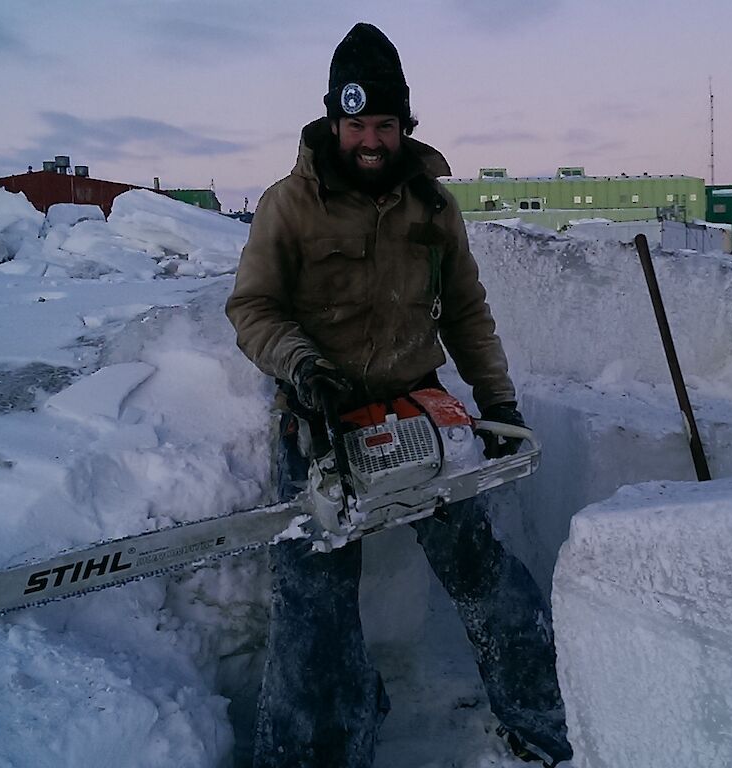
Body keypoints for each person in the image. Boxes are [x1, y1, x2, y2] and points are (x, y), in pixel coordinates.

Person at [225, 22, 573, 767]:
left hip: (418, 411)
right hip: (319, 421)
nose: (371, 141)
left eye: (386, 124)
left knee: (485, 573)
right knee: (313, 613)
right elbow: (253, 309)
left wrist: (498, 403)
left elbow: (470, 314)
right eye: (357, 125)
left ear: (405, 125)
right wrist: (303, 366)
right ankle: (318, 750)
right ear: (333, 122)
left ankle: (545, 724)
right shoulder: (288, 205)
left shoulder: (434, 209)